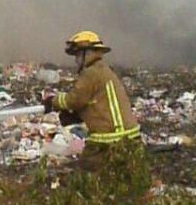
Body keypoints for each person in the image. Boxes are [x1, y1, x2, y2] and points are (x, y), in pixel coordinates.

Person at [43, 31, 140, 170]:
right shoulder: (102, 70)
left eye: (77, 55)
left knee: (83, 174)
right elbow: (95, 102)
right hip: (127, 137)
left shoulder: (91, 73)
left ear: (87, 54)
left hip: (112, 139)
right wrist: (78, 115)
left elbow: (74, 100)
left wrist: (53, 101)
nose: (76, 60)